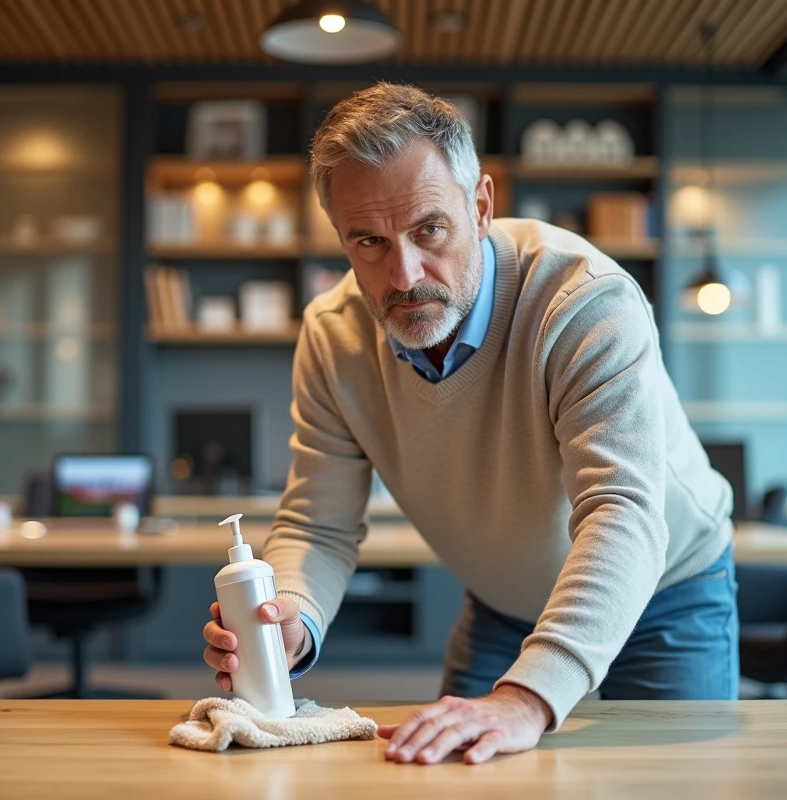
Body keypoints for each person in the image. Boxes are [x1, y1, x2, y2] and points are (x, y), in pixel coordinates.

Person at [202, 82, 736, 766]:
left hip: (668, 594)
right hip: (503, 602)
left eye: (429, 230)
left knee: (669, 785)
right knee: (445, 775)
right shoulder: (332, 337)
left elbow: (622, 512)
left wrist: (527, 698)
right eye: (369, 241)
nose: (405, 274)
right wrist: (290, 622)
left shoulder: (583, 302)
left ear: (480, 206)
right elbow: (317, 524)